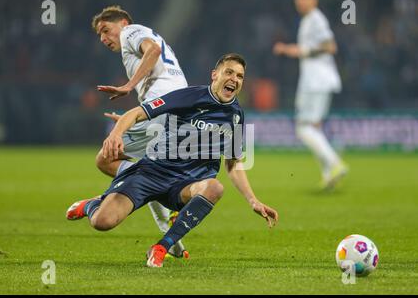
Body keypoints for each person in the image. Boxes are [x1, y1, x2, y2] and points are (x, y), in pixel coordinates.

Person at [66, 53, 279, 268]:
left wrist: (253, 200)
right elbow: (137, 112)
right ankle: (92, 205)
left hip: (185, 186)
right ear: (215, 75)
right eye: (229, 72)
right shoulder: (189, 97)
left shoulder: (235, 115)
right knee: (102, 222)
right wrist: (116, 134)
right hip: (153, 173)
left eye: (240, 76)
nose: (235, 79)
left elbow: (233, 162)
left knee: (214, 187)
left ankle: (162, 247)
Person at [74, 6, 189, 258]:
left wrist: (128, 86)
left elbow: (153, 50)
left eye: (106, 30)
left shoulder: (131, 32)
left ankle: (103, 200)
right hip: (174, 112)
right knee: (154, 172)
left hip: (160, 112)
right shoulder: (147, 38)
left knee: (105, 158)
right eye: (99, 35)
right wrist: (134, 119)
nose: (103, 38)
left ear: (123, 22)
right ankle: (169, 235)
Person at [273, 0, 348, 190]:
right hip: (315, 80)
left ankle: (335, 164)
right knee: (314, 127)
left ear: (314, 0)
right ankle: (328, 176)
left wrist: (301, 51)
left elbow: (330, 46)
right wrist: (294, 50)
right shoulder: (308, 20)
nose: (299, 2)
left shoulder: (316, 19)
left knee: (303, 128)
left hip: (316, 81)